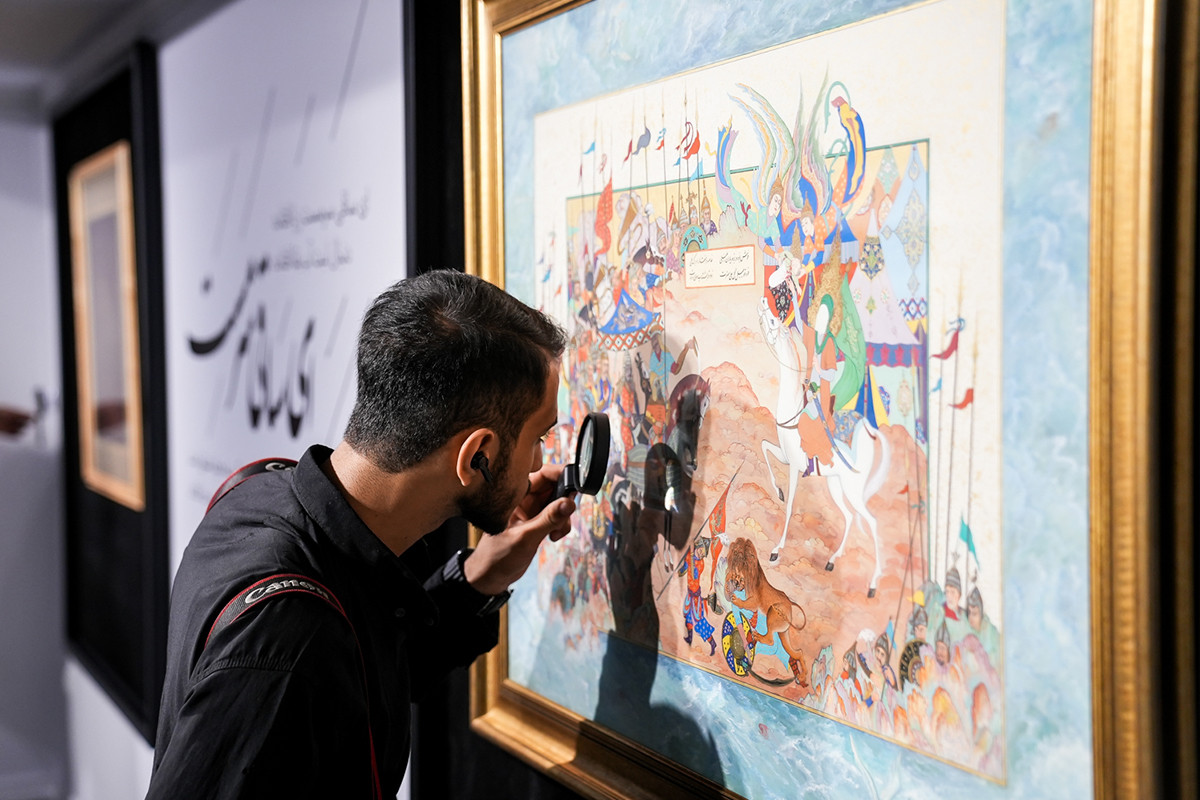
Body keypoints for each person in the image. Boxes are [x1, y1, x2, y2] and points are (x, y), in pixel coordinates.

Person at [146, 269, 575, 798]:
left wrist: (479, 577)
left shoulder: (261, 492)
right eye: (538, 437)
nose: (537, 463)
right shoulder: (290, 641)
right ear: (477, 455)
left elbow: (360, 672)